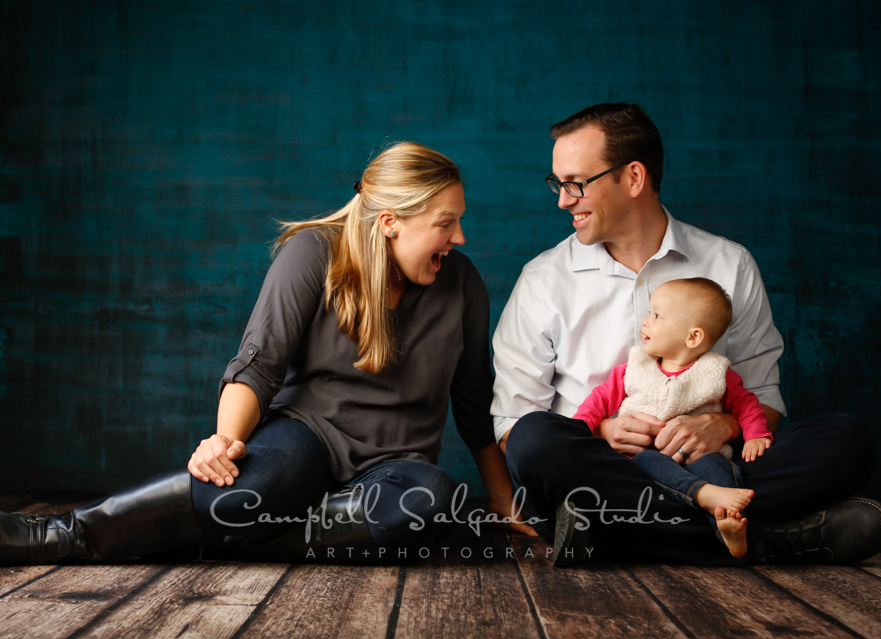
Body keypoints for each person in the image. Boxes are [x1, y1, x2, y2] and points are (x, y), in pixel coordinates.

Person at [0, 141, 534, 566]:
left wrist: (501, 498)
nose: (459, 237)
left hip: (397, 465)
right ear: (390, 220)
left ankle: (235, 539)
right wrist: (224, 443)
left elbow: (472, 402)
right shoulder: (314, 253)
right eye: (445, 222)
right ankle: (61, 534)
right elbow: (258, 366)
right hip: (308, 436)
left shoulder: (461, 284)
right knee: (230, 497)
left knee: (430, 501)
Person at [492, 103, 881, 567]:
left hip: (713, 462)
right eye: (557, 184)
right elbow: (510, 424)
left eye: (576, 183)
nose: (563, 199)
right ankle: (767, 538)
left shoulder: (729, 264)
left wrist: (723, 424)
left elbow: (764, 398)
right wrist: (603, 431)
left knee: (849, 441)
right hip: (601, 471)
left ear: (634, 177)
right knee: (534, 442)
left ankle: (609, 536)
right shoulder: (543, 279)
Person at [574, 277, 773, 558]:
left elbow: (746, 404)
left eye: (656, 316)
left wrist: (756, 435)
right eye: (648, 314)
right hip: (645, 460)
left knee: (719, 468)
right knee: (647, 461)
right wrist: (579, 429)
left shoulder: (716, 372)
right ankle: (705, 496)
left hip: (700, 456)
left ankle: (731, 530)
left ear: (693, 337)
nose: (645, 322)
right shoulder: (634, 368)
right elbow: (599, 400)